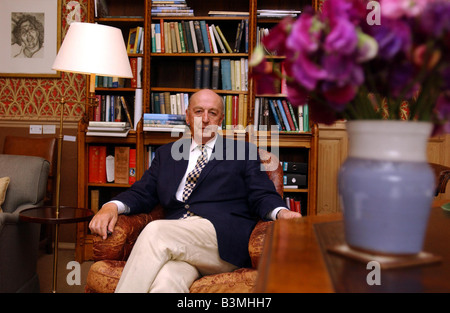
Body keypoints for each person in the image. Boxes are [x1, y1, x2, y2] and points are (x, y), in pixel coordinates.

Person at [89, 89, 301, 293]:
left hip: (220, 243)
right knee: (166, 282)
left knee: (156, 231)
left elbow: (261, 194)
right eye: (199, 111)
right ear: (188, 116)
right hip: (177, 244)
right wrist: (110, 206)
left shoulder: (242, 153)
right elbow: (142, 192)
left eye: (213, 112)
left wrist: (282, 213)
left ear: (220, 120)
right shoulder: (167, 154)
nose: (205, 118)